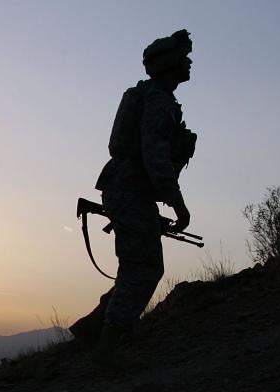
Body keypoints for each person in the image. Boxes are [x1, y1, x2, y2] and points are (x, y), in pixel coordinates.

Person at [88, 29, 196, 364]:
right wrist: (178, 204)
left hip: (125, 188)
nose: (189, 63)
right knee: (144, 268)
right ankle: (108, 350)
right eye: (183, 58)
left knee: (136, 265)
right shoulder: (158, 101)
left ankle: (94, 331)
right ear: (169, 64)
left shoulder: (150, 96)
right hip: (130, 189)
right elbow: (155, 156)